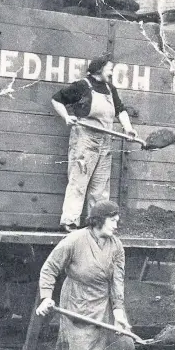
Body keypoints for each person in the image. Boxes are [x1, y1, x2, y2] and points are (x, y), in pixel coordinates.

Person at [36, 200, 145, 350]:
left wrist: (119, 313)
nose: (116, 225)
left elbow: (117, 281)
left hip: (107, 303)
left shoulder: (116, 245)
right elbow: (49, 268)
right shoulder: (74, 241)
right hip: (79, 302)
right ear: (98, 221)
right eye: (113, 221)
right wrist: (46, 297)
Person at [51, 57, 137, 232]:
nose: (112, 73)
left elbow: (120, 110)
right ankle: (70, 222)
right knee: (78, 182)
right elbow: (56, 99)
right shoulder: (82, 86)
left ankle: (97, 224)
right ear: (99, 70)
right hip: (85, 140)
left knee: (101, 187)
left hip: (105, 141)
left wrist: (128, 128)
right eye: (110, 69)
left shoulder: (109, 88)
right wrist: (66, 117)